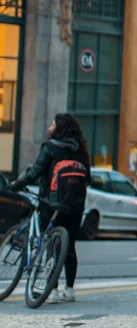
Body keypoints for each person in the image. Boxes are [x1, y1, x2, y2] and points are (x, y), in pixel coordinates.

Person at [10, 113, 91, 303]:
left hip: (50, 201)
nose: (50, 127)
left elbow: (36, 171)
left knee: (51, 243)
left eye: (53, 124)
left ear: (59, 128)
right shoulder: (81, 150)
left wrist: (17, 184)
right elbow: (88, 178)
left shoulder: (50, 147)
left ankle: (51, 290)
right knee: (69, 246)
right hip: (75, 204)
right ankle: (69, 290)